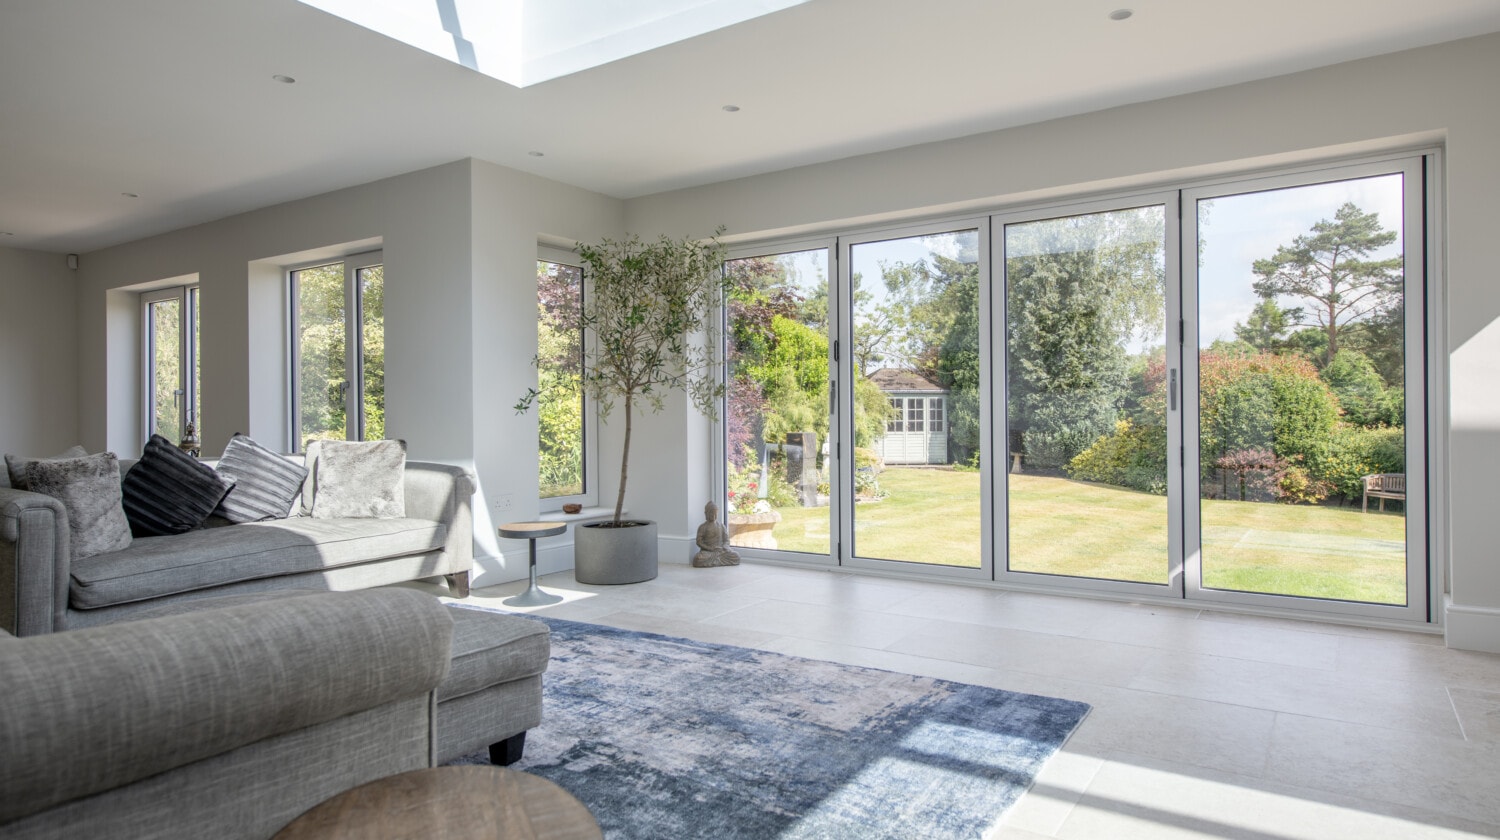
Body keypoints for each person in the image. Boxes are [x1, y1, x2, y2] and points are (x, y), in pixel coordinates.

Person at [693, 501, 740, 567]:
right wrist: (709, 548)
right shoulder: (703, 527)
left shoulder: (721, 526)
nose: (714, 515)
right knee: (698, 559)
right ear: (706, 514)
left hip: (721, 551)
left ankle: (716, 561)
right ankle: (717, 560)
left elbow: (726, 540)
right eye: (711, 513)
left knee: (736, 556)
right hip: (708, 552)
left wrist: (724, 547)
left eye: (715, 513)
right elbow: (699, 542)